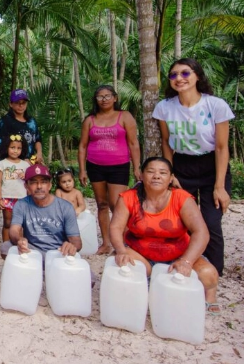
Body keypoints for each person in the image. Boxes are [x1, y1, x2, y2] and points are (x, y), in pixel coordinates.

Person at [153, 58, 234, 276]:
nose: (179, 78)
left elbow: (221, 147)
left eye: (185, 73)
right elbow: (166, 142)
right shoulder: (164, 108)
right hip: (182, 166)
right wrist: (171, 173)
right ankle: (187, 263)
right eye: (173, 75)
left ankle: (214, 272)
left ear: (197, 75)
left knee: (211, 221)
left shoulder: (215, 105)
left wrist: (220, 185)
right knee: (183, 220)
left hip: (212, 165)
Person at [110, 157, 221, 314]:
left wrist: (186, 261)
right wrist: (121, 250)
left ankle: (209, 297)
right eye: (150, 171)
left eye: (163, 173)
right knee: (121, 263)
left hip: (179, 254)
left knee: (208, 275)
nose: (156, 176)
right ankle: (147, 285)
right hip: (140, 253)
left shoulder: (182, 198)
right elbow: (115, 227)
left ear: (171, 178)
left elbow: (201, 232)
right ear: (141, 176)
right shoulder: (128, 197)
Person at [78, 85, 141, 254]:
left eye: (107, 96)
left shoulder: (124, 116)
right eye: (100, 96)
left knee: (117, 204)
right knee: (102, 204)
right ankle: (106, 243)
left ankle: (122, 242)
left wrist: (137, 168)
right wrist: (82, 170)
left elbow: (134, 143)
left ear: (115, 98)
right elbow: (82, 146)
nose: (104, 99)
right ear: (95, 100)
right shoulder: (90, 120)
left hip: (119, 166)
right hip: (95, 166)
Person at [9, 164, 82, 255]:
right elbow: (14, 230)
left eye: (43, 182)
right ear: (26, 186)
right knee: (6, 247)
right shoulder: (21, 205)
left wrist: (71, 246)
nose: (39, 186)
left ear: (50, 185)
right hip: (32, 249)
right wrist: (19, 240)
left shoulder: (65, 207)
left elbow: (77, 242)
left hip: (58, 251)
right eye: (34, 182)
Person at [0, 135, 31, 252]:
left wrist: (26, 176)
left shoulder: (25, 165)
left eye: (18, 148)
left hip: (22, 198)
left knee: (20, 223)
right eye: (12, 147)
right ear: (6, 147)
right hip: (7, 197)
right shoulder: (2, 164)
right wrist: (0, 198)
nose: (15, 150)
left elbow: (30, 183)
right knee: (7, 222)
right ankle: (6, 246)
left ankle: (19, 245)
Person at [0, 89, 43, 163]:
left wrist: (39, 153)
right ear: (11, 104)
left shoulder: (32, 121)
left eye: (23, 103)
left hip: (31, 162)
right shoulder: (5, 121)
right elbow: (0, 145)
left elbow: (37, 139)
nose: (21, 105)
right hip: (12, 164)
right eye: (17, 103)